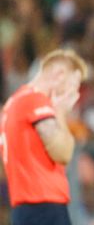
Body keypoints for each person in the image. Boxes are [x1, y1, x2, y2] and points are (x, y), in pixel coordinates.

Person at [1, 48, 87, 225]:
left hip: (25, 208)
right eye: (73, 85)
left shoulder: (13, 103)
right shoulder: (35, 100)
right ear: (59, 75)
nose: (75, 95)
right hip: (44, 207)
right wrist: (61, 113)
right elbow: (62, 153)